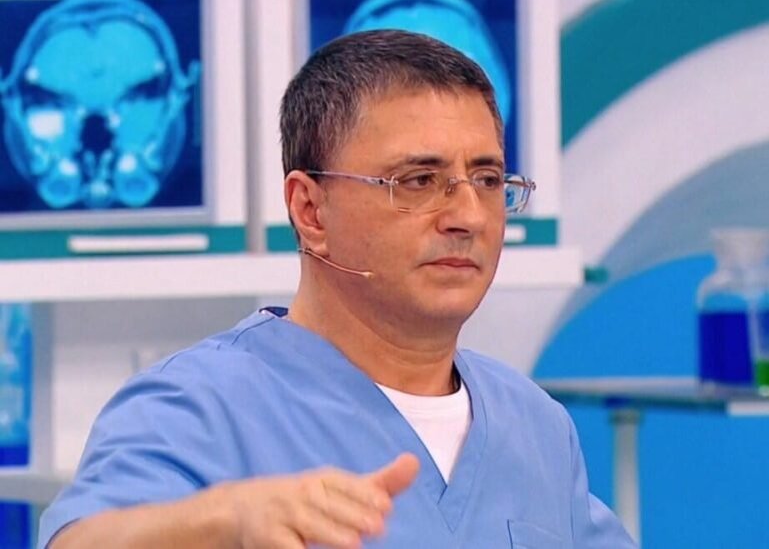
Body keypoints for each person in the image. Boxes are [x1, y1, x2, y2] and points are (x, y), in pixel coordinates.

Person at [39, 30, 636, 548]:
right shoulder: (200, 406)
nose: (468, 216)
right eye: (418, 181)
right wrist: (225, 520)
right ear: (310, 210)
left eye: (485, 179)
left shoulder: (533, 425)